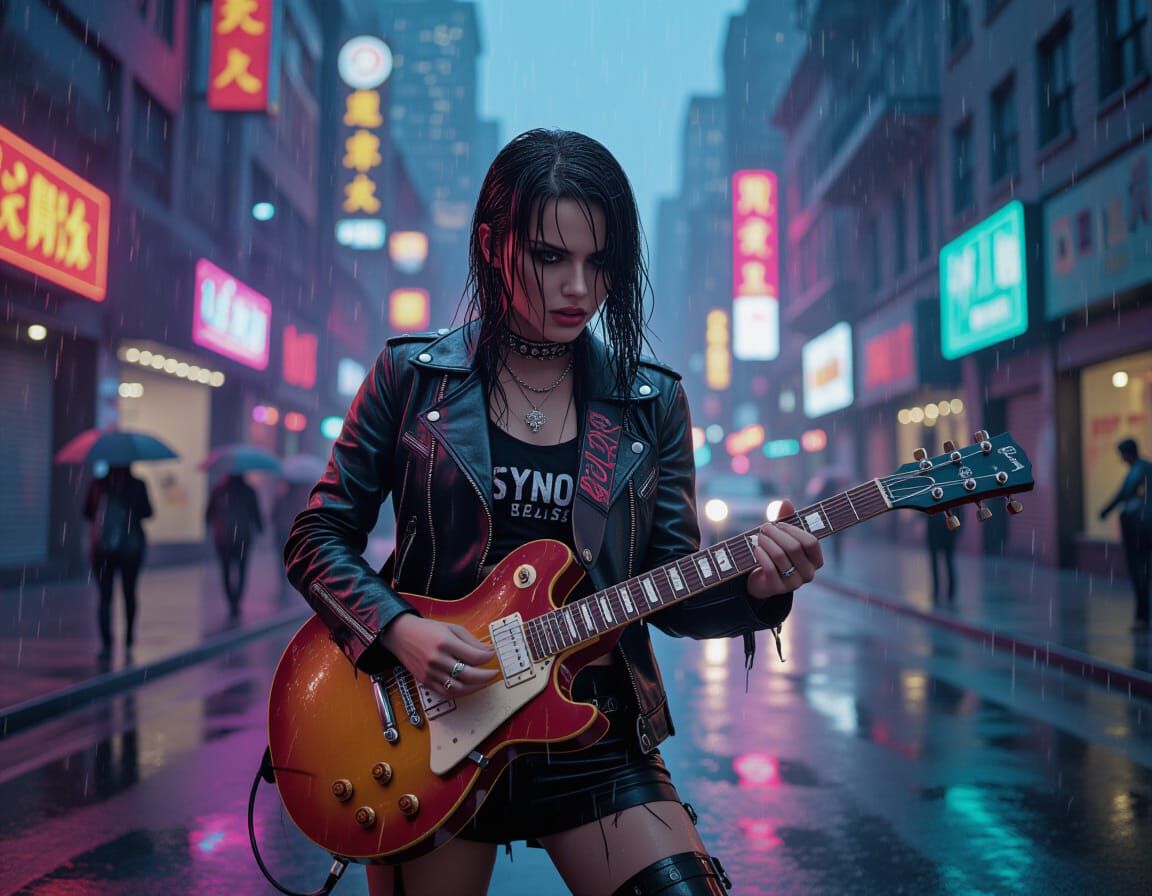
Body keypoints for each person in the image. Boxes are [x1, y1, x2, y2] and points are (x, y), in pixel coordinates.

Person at [285, 129, 823, 896]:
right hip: (431, 729)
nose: (580, 287)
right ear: (492, 245)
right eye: (550, 257)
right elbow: (316, 538)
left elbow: (671, 589)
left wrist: (763, 588)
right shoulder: (411, 379)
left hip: (594, 733)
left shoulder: (650, 401)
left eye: (599, 262)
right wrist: (400, 633)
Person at [83, 465, 153, 662]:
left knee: (105, 596)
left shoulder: (98, 484)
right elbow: (148, 512)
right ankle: (129, 638)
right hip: (131, 548)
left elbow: (87, 513)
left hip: (103, 549)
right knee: (129, 592)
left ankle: (106, 644)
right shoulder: (138, 485)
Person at [1099, 437, 1152, 631]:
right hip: (1144, 527)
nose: (1122, 460)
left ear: (1128, 454)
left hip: (1139, 528)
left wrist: (1105, 510)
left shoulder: (1138, 469)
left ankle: (1142, 617)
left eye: (1122, 455)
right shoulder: (1147, 468)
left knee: (1139, 570)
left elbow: (1124, 493)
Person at [206, 472, 264, 616]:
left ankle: (231, 600)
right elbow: (256, 515)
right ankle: (236, 601)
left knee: (225, 570)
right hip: (243, 537)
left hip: (223, 538)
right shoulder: (249, 491)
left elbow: (208, 515)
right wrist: (260, 528)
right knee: (242, 570)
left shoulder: (218, 490)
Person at [926, 510, 958, 602]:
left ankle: (949, 592)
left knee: (947, 562)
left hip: (945, 534)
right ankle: (940, 591)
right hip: (938, 534)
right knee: (943, 563)